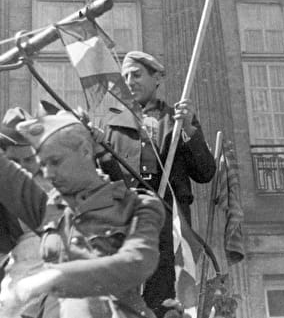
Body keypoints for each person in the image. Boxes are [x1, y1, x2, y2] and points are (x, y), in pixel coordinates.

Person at [0, 110, 165, 318]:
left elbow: (137, 261)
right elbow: (6, 175)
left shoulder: (140, 205)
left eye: (56, 161)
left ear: (86, 152)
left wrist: (58, 277)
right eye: (43, 165)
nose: (48, 173)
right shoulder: (52, 210)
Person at [98, 51, 216, 318]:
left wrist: (189, 129)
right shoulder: (110, 125)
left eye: (137, 75)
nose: (130, 81)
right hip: (127, 227)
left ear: (157, 78)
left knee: (165, 301)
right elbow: (100, 183)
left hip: (169, 230)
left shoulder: (177, 119)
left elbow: (205, 172)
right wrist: (98, 151)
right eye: (125, 76)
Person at [0, 106, 61, 318]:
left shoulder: (60, 180)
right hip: (20, 284)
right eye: (15, 162)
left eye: (28, 160)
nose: (23, 170)